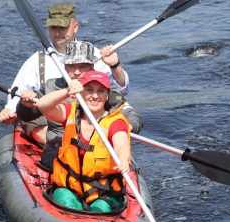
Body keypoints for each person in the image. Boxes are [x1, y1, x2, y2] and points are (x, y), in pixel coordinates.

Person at [0, 2, 130, 142]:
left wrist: (115, 66)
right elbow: (18, 93)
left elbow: (121, 89)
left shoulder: (96, 56)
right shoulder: (37, 61)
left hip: (90, 121)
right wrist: (10, 110)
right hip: (52, 121)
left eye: (62, 27)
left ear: (75, 27)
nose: (57, 33)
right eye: (53, 28)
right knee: (30, 121)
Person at [14, 40, 142, 171]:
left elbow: (132, 116)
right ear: (64, 67)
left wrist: (123, 129)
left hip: (97, 156)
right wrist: (25, 105)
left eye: (82, 66)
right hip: (58, 154)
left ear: (92, 67)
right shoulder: (51, 86)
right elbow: (27, 115)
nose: (76, 72)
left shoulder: (103, 92)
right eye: (71, 66)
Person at [36, 70, 131, 213]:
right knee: (65, 200)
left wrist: (123, 159)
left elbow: (121, 143)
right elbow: (43, 106)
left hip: (104, 192)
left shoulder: (115, 122)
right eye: (89, 90)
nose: (95, 96)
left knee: (101, 209)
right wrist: (67, 91)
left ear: (107, 96)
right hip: (70, 188)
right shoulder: (70, 113)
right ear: (81, 93)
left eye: (100, 91)